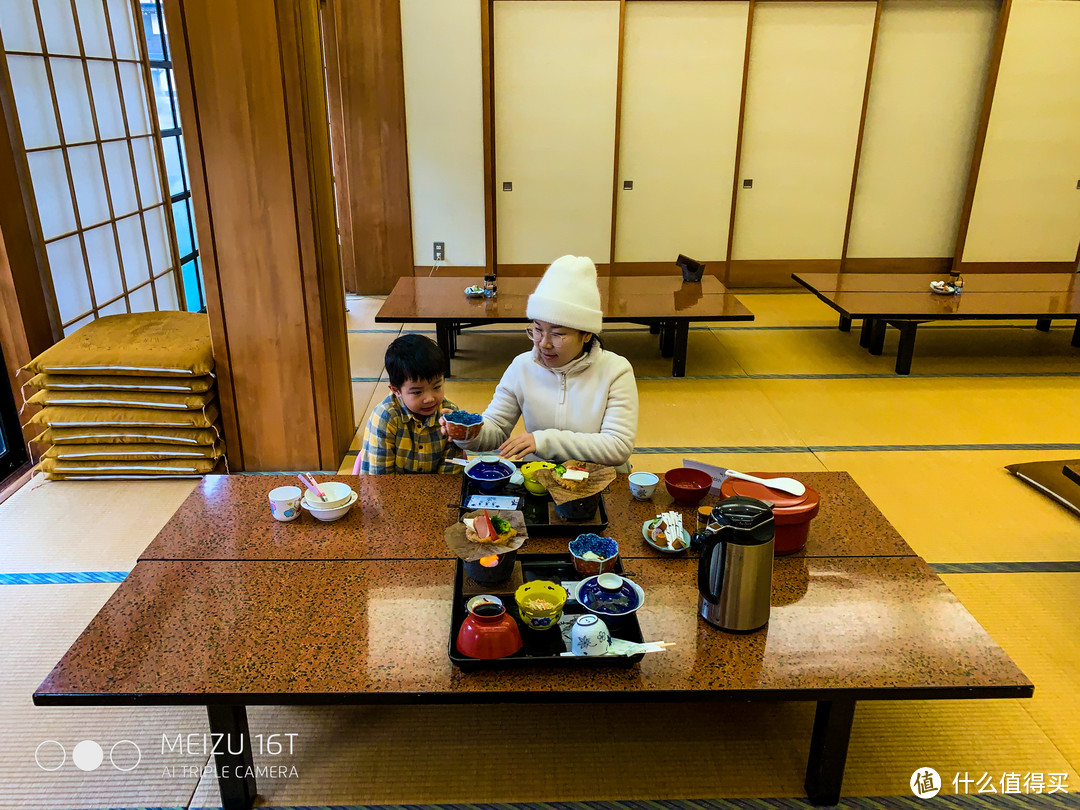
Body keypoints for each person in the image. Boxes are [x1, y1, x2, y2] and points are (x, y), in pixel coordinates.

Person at [446, 255, 638, 471]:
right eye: (537, 330)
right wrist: (468, 431)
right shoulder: (522, 367)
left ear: (586, 335)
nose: (544, 344)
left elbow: (618, 446)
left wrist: (543, 441)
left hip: (602, 482)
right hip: (539, 477)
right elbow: (497, 427)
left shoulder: (615, 371)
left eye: (557, 334)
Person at [356, 334, 463, 474]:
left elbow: (450, 473)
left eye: (437, 387)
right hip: (390, 492)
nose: (430, 399)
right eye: (417, 392)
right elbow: (380, 481)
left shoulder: (449, 413)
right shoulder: (386, 418)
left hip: (436, 492)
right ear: (396, 390)